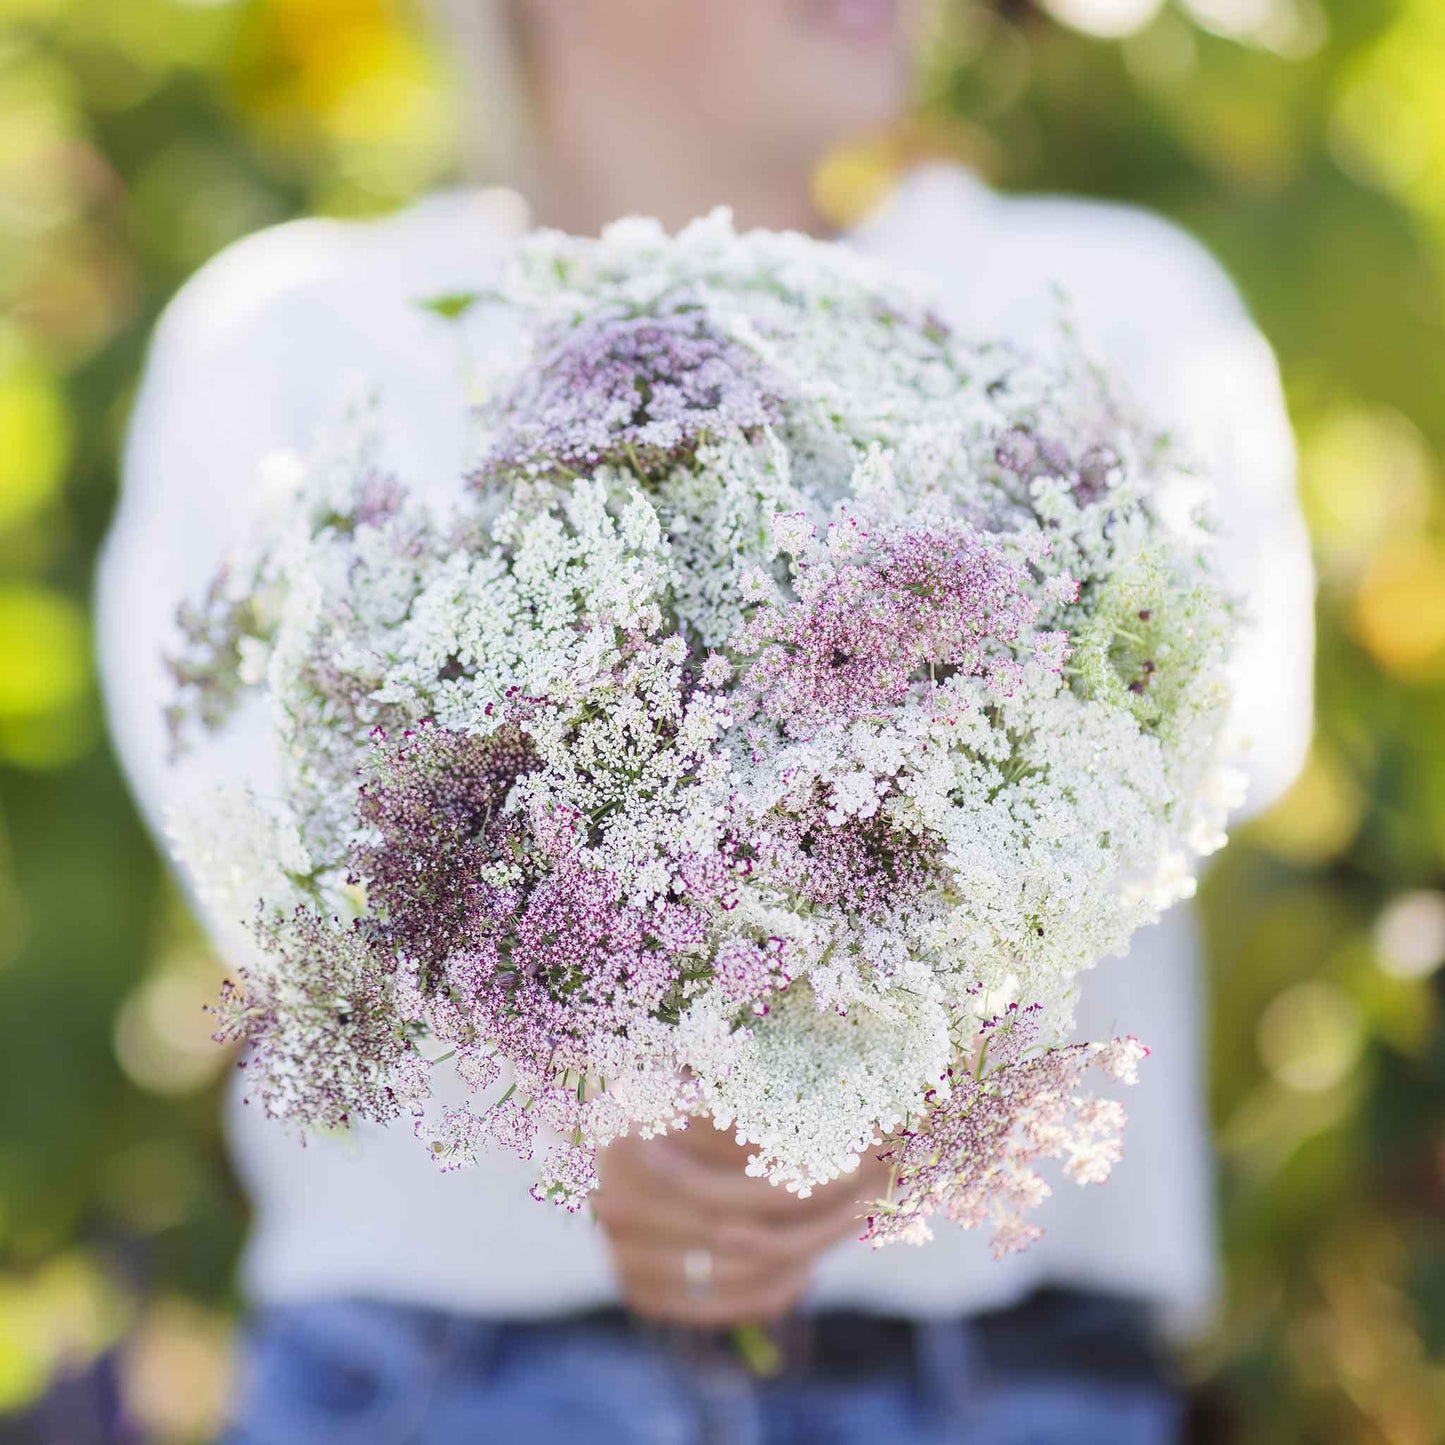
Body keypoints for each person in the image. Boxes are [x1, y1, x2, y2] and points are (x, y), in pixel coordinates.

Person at [97, 2, 1314, 1440]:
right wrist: (609, 1109)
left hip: (999, 1378)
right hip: (453, 1380)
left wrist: (867, 1071)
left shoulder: (1109, 304)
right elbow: (260, 851)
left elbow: (1228, 737)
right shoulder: (295, 343)